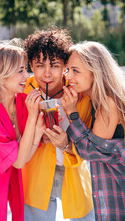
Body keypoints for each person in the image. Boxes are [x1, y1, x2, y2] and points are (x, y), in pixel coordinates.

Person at [44, 41, 125, 221]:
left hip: (123, 193)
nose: (68, 77)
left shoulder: (108, 102)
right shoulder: (96, 101)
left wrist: (72, 113)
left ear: (96, 72)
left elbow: (90, 150)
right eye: (67, 70)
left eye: (76, 71)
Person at [21, 28, 95, 220]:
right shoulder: (22, 92)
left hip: (74, 173)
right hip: (35, 176)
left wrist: (67, 144)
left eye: (54, 65)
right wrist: (36, 138)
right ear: (31, 65)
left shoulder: (81, 95)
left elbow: (90, 144)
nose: (47, 73)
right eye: (39, 65)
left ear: (65, 66)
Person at [0, 43, 45, 221]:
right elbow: (19, 161)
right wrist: (32, 122)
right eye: (20, 70)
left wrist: (37, 132)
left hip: (10, 185)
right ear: (1, 76)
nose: (27, 76)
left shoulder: (22, 101)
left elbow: (24, 156)